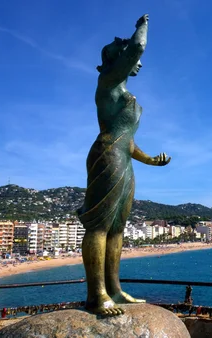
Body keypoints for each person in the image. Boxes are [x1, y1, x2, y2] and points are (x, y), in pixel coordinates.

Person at [77, 13, 171, 316]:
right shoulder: (108, 83)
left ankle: (114, 290)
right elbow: (138, 48)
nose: (138, 61)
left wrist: (150, 160)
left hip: (122, 156)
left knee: (118, 227)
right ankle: (97, 295)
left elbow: (128, 140)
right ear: (117, 58)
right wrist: (141, 26)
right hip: (107, 155)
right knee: (100, 224)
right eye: (128, 55)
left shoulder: (125, 92)